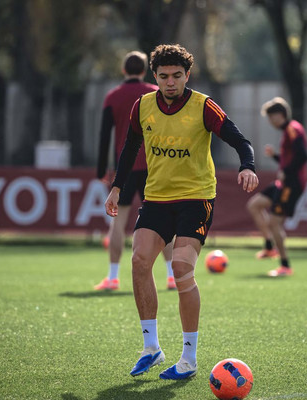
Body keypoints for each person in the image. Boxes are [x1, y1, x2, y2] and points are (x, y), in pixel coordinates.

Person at [104, 44, 258, 380]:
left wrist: (247, 165)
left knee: (182, 269)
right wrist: (117, 187)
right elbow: (130, 147)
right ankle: (151, 348)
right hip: (157, 199)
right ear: (154, 76)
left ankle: (188, 359)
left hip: (195, 198)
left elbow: (241, 140)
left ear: (187, 75)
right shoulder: (143, 106)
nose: (170, 82)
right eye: (164, 76)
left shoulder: (203, 106)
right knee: (139, 261)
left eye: (177, 75)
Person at [94, 51, 175, 291]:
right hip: (155, 165)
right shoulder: (155, 93)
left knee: (117, 222)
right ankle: (171, 276)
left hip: (125, 167)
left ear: (123, 70)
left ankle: (113, 277)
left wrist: (101, 169)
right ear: (145, 70)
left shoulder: (113, 96)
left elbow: (104, 135)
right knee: (163, 220)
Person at [247, 97, 307, 277]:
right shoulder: (288, 131)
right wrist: (275, 156)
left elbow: (303, 156)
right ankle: (269, 247)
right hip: (284, 182)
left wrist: (287, 171)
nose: (270, 121)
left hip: (292, 184)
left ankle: (285, 265)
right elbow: (290, 158)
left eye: (270, 117)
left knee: (274, 223)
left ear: (279, 115)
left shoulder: (293, 129)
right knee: (254, 205)